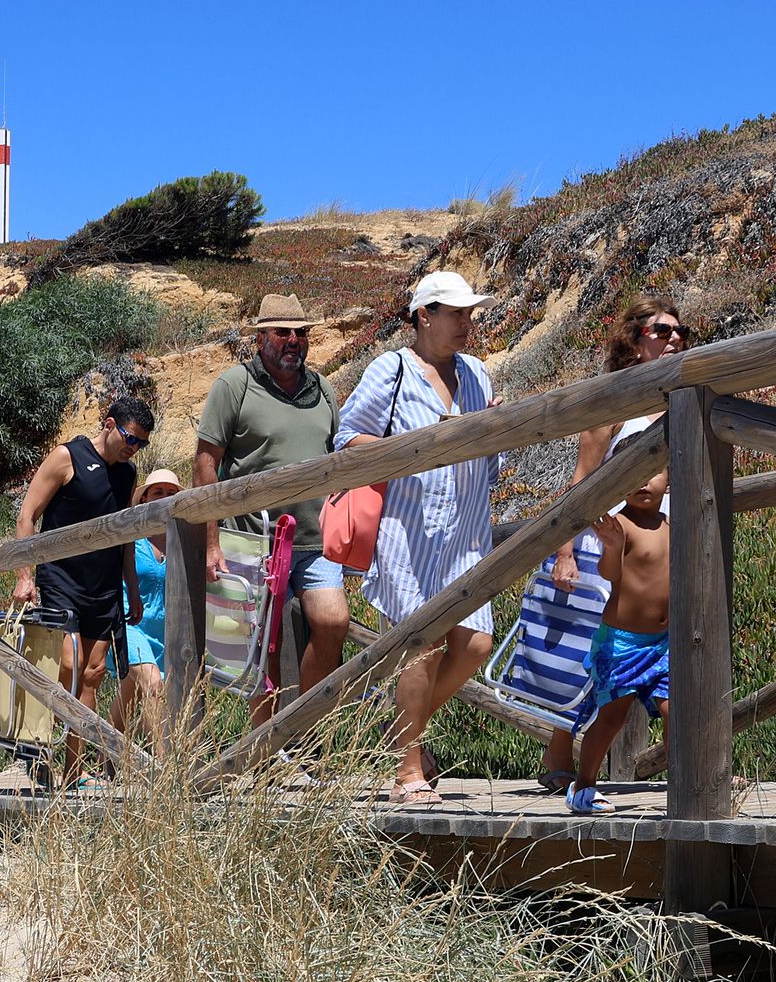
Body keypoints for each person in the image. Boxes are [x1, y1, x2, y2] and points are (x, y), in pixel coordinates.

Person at [332, 271, 501, 805]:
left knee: (476, 644)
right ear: (424, 315)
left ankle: (398, 731)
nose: (466, 323)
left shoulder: (476, 373)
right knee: (419, 649)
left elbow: (488, 454)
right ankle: (408, 771)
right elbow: (347, 438)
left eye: (470, 313)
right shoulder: (394, 369)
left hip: (467, 531)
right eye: (456, 313)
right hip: (409, 531)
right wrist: (411, 447)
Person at [533, 297, 690, 792]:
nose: (674, 338)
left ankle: (619, 767)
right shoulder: (613, 404)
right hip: (600, 539)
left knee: (643, 656)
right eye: (662, 331)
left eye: (680, 331)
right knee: (585, 649)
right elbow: (580, 483)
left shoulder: (678, 397)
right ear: (634, 339)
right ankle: (560, 753)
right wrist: (563, 551)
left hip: (660, 544)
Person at [194, 293, 349, 723]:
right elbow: (206, 464)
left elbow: (340, 458)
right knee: (259, 650)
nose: (294, 341)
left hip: (316, 540)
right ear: (261, 337)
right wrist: (211, 544)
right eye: (283, 332)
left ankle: (301, 732)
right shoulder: (234, 385)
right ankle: (263, 755)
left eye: (301, 333)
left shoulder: (324, 390)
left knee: (332, 622)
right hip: (252, 538)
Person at [12, 396, 153, 787]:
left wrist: (133, 589)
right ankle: (37, 751)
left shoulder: (127, 474)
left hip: (104, 587)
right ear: (109, 424)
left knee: (91, 676)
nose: (133, 447)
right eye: (129, 438)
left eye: (140, 443)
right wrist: (26, 575)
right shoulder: (67, 457)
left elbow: (126, 537)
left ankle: (74, 770)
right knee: (69, 665)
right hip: (61, 579)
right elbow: (27, 515)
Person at [564, 460, 671, 814]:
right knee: (612, 718)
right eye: (634, 475)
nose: (643, 482)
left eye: (653, 472)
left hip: (665, 644)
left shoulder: (672, 523)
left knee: (679, 714)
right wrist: (611, 547)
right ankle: (584, 784)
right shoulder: (620, 525)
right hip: (623, 644)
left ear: (669, 478)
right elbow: (611, 574)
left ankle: (688, 777)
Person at [112, 469, 182, 757]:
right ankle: (167, 771)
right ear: (143, 498)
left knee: (131, 692)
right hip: (131, 625)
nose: (165, 498)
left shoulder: (185, 537)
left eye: (171, 493)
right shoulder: (131, 536)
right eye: (158, 493)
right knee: (152, 684)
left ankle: (108, 756)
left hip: (166, 633)